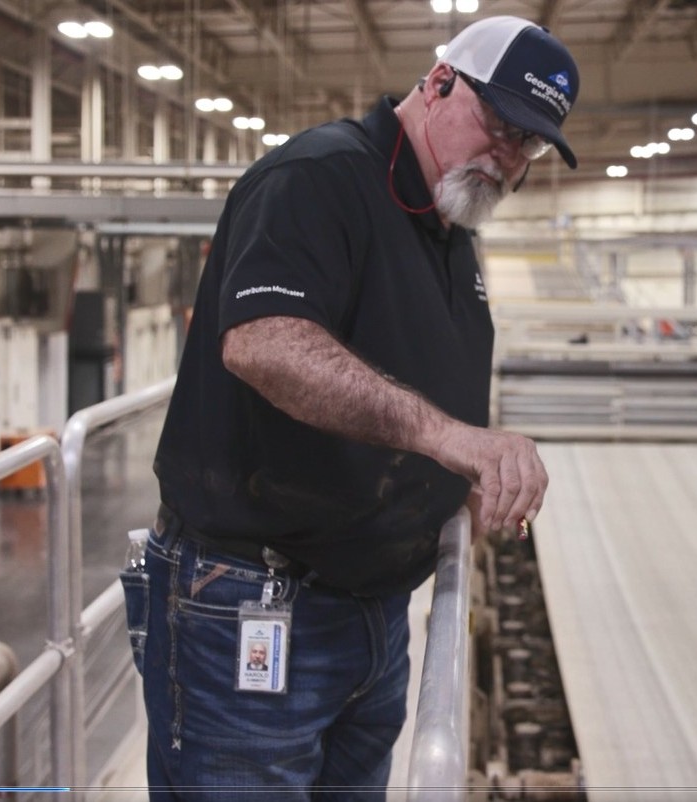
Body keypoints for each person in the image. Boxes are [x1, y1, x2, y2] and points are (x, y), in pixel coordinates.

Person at [126, 15, 580, 799]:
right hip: (254, 604)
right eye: (500, 126)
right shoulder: (319, 178)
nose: (508, 158)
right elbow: (264, 342)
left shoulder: (446, 227)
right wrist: (449, 440)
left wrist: (459, 487)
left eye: (530, 145)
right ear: (438, 84)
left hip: (370, 617)